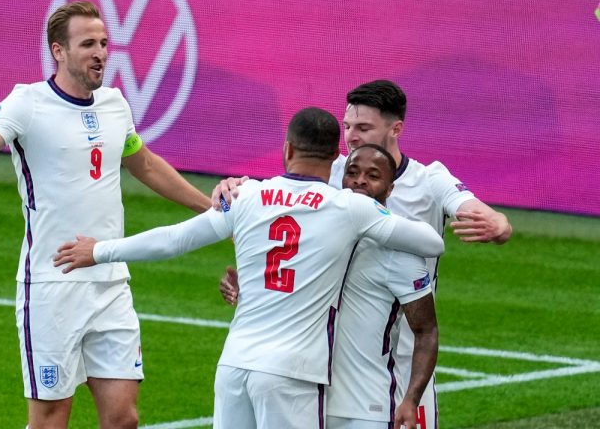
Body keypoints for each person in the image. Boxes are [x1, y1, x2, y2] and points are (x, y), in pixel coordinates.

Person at [0, 1, 210, 429]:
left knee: (123, 419)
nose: (101, 52)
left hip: (110, 281)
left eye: (105, 43)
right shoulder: (26, 103)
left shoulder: (115, 105)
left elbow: (143, 163)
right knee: (51, 421)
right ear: (59, 51)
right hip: (52, 287)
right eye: (88, 44)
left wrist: (209, 206)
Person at [52, 107, 445, 429]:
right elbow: (432, 243)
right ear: (335, 160)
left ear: (287, 149)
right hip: (293, 374)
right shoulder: (349, 207)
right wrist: (376, 211)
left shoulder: (246, 195)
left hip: (234, 366)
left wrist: (99, 250)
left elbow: (174, 239)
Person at [215, 80, 513, 428]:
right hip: (331, 353)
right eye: (347, 127)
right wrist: (233, 188)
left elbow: (477, 210)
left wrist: (499, 224)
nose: (351, 137)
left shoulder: (430, 180)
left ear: (396, 128)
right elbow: (276, 213)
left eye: (363, 128)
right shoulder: (337, 173)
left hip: (405, 355)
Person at [328, 144, 438, 429]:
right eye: (352, 173)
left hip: (368, 408)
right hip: (309, 397)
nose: (360, 180)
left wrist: (411, 400)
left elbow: (426, 332)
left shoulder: (401, 253)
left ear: (390, 189)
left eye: (373, 175)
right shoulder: (321, 233)